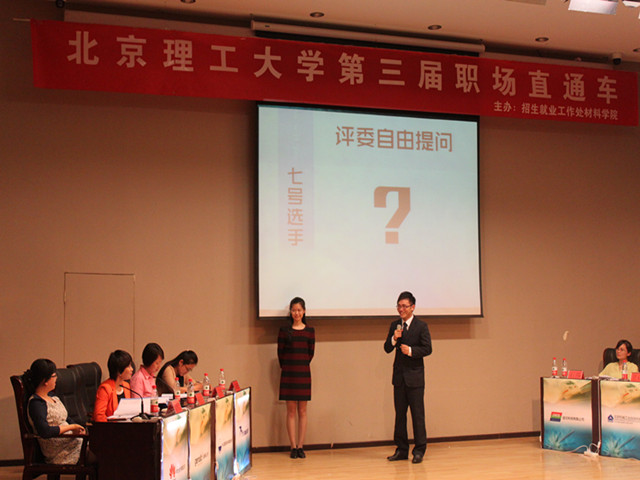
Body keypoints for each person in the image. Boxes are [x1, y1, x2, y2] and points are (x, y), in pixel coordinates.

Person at [383, 291, 432, 464]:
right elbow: (386, 348)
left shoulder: (421, 326)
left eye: (404, 306)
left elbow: (428, 348)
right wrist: (394, 339)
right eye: (399, 306)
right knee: (400, 415)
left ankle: (419, 450)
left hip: (415, 378)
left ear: (413, 307)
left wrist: (411, 351)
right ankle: (401, 449)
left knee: (417, 415)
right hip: (399, 378)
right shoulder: (395, 325)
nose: (401, 309)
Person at [23, 358, 86, 464]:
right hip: (61, 451)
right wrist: (71, 427)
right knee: (103, 455)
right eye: (54, 376)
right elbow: (45, 431)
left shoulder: (52, 397)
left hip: (73, 441)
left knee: (105, 448)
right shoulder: (37, 403)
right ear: (45, 381)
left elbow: (66, 418)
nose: (56, 378)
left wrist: (78, 428)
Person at [277, 297, 315, 459]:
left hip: (303, 373)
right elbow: (280, 354)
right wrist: (288, 366)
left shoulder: (310, 331)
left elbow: (310, 353)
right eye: (293, 310)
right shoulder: (284, 331)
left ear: (304, 311)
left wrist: (301, 364)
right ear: (290, 312)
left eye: (299, 310)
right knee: (291, 411)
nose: (296, 313)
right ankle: (293, 446)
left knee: (303, 411)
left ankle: (301, 446)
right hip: (289, 373)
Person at [93, 349, 134, 422]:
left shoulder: (126, 386)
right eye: (128, 366)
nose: (132, 369)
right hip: (110, 427)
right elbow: (99, 416)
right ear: (119, 371)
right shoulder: (105, 389)